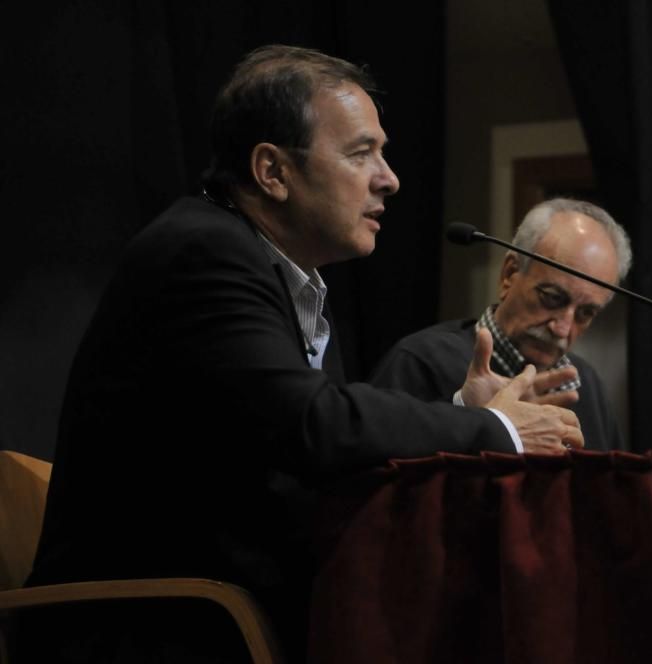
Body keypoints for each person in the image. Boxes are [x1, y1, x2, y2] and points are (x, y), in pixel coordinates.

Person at [22, 45, 582, 662]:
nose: (389, 178)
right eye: (360, 152)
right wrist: (493, 427)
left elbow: (309, 450)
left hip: (227, 609)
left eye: (384, 152)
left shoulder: (286, 275)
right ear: (272, 172)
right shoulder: (201, 254)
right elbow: (311, 426)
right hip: (143, 629)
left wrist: (460, 410)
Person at [370, 198, 632, 451]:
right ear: (509, 274)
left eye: (585, 313)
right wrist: (474, 421)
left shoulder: (586, 384)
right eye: (552, 298)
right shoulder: (421, 361)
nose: (562, 328)